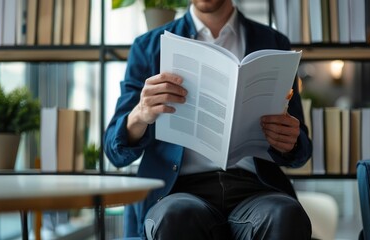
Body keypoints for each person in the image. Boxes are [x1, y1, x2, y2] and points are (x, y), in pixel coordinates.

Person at [104, 0, 313, 239]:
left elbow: (301, 149)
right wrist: (140, 114)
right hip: (180, 190)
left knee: (285, 214)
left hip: (255, 188)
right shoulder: (148, 47)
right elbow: (114, 150)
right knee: (175, 216)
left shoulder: (274, 42)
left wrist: (290, 141)